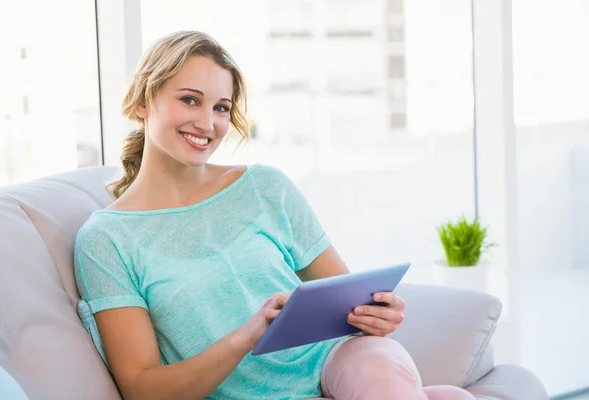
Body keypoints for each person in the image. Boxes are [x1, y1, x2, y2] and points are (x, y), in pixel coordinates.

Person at [74, 30, 474, 400]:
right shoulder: (108, 239)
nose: (208, 123)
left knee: (379, 365)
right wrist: (245, 337)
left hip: (340, 365)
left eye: (221, 108)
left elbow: (345, 297)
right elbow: (142, 387)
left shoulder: (265, 187)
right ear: (143, 102)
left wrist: (376, 314)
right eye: (190, 100)